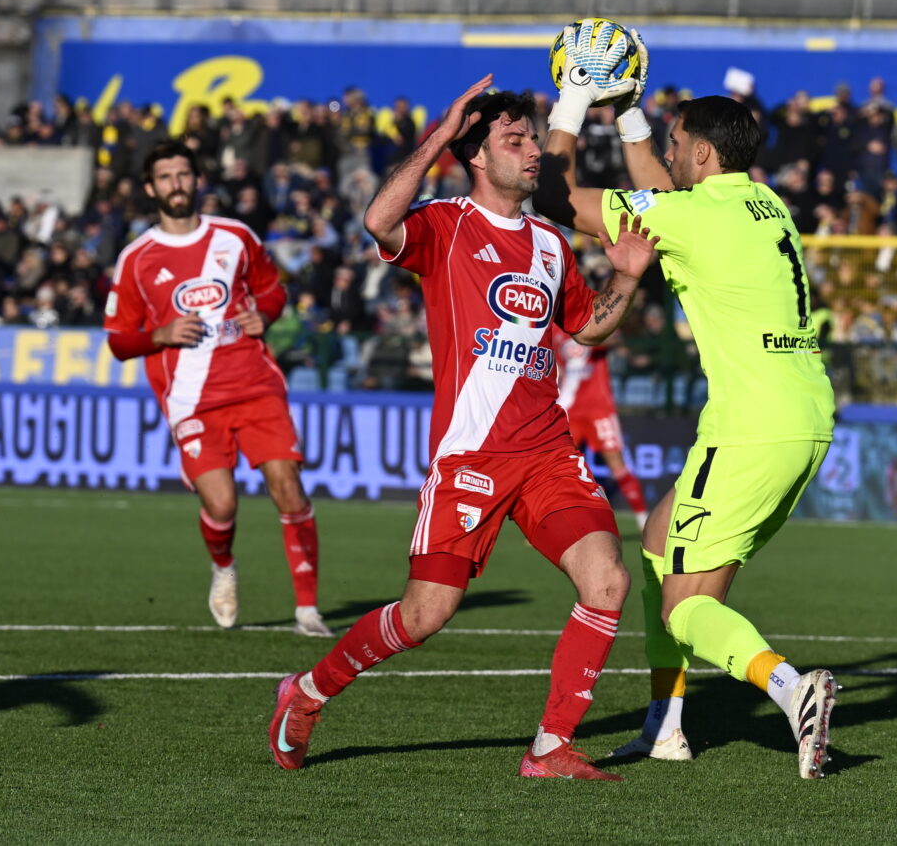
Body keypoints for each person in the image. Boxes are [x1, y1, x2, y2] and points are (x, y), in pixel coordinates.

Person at [268, 75, 660, 781]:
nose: (534, 149)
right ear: (476, 155)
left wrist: (627, 279)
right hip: (470, 456)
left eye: (534, 137)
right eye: (515, 140)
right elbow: (378, 221)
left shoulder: (548, 242)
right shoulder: (445, 225)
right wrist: (437, 135)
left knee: (607, 580)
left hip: (546, 451)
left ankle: (549, 748)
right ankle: (308, 691)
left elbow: (586, 326)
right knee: (425, 614)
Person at [534, 20, 839, 779]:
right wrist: (631, 109)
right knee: (655, 541)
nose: (665, 154)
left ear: (703, 153)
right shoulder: (763, 205)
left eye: (674, 142)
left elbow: (548, 194)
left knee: (685, 608)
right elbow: (665, 195)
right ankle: (665, 724)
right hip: (801, 412)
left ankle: (792, 686)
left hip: (750, 425)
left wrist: (574, 100)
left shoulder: (692, 215)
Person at [103, 140, 331, 638]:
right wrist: (159, 335)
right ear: (150, 188)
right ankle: (223, 566)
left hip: (254, 384)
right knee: (222, 504)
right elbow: (119, 342)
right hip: (191, 399)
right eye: (164, 177)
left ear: (198, 180)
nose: (175, 184)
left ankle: (308, 611)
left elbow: (273, 289)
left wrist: (264, 314)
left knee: (288, 489)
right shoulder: (136, 258)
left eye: (183, 174)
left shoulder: (236, 237)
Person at [555, 329, 650, 529]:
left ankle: (643, 520)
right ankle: (558, 520)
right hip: (568, 408)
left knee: (617, 466)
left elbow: (615, 338)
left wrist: (594, 337)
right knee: (558, 467)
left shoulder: (591, 321)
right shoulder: (553, 330)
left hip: (599, 409)